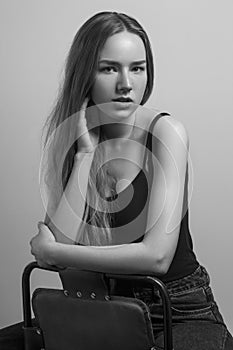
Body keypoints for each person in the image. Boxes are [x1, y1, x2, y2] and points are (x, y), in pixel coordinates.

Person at [1, 11, 233, 350]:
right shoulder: (75, 140)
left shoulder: (166, 133)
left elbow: (156, 257)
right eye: (110, 68)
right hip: (104, 306)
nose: (127, 83)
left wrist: (57, 251)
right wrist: (83, 157)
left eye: (137, 68)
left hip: (178, 308)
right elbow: (53, 254)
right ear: (85, 75)